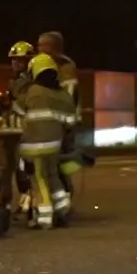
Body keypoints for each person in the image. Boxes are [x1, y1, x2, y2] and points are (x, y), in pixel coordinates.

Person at [18, 53, 79, 229]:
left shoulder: (33, 91)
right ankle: (62, 208)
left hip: (33, 145)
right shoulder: (63, 95)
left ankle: (44, 218)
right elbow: (70, 122)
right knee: (52, 175)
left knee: (38, 179)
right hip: (54, 145)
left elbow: (18, 110)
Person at [37, 31, 81, 205]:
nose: (40, 49)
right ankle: (53, 200)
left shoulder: (65, 68)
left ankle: (64, 198)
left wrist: (65, 123)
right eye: (39, 45)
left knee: (59, 164)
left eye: (44, 45)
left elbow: (69, 98)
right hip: (48, 122)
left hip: (63, 123)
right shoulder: (42, 67)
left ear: (56, 47)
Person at [0, 41, 33, 215]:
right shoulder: (13, 82)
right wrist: (1, 104)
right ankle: (3, 202)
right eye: (13, 60)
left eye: (20, 60)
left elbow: (26, 105)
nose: (15, 64)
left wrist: (11, 101)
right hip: (8, 131)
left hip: (24, 132)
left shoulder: (32, 82)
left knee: (23, 168)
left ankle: (27, 198)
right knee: (1, 168)